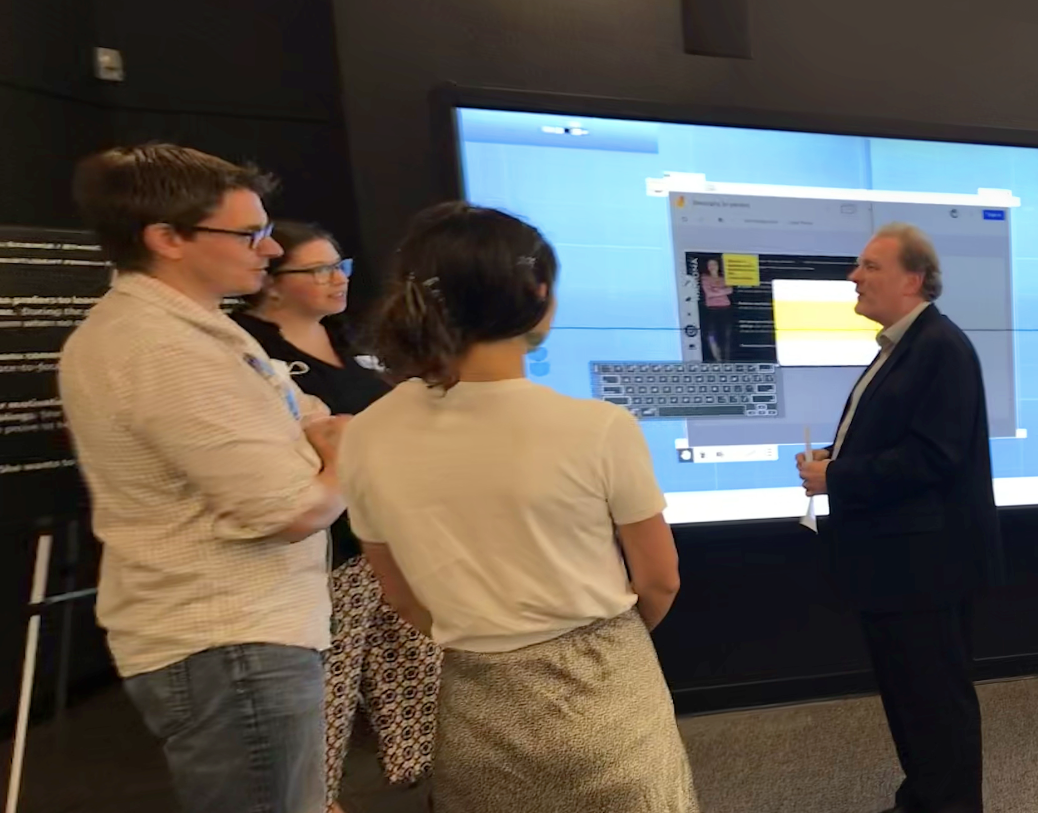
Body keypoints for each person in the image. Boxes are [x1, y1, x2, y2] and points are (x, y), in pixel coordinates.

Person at [335, 202, 696, 813]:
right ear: (538, 293)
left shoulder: (366, 432)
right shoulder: (597, 427)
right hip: (607, 696)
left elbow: (398, 592)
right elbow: (660, 579)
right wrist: (608, 642)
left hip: (477, 704)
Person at [60, 144, 350, 813]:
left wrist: (323, 448)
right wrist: (342, 463)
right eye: (249, 234)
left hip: (244, 638)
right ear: (166, 238)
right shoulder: (163, 348)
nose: (270, 250)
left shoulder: (201, 328)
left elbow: (312, 416)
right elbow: (291, 508)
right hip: (230, 644)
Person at [232, 221, 441, 813]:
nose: (337, 279)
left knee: (420, 675)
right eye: (318, 269)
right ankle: (312, 798)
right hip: (321, 553)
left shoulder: (345, 345)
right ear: (272, 281)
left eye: (340, 266)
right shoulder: (251, 352)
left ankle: (440, 781)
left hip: (386, 542)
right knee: (323, 691)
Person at [797, 223, 1002, 813]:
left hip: (925, 571)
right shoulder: (904, 347)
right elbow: (899, 441)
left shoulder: (940, 347)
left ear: (913, 279)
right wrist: (836, 457)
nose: (854, 277)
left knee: (935, 704)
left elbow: (934, 457)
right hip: (898, 568)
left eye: (870, 266)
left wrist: (838, 477)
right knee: (912, 702)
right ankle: (924, 800)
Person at [700, 257, 734, 361]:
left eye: (714, 264)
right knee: (712, 335)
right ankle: (717, 359)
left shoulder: (724, 278)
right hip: (712, 309)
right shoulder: (705, 278)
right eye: (710, 264)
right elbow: (709, 293)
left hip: (725, 309)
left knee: (725, 335)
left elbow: (730, 290)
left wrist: (716, 290)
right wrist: (722, 291)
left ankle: (726, 360)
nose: (712, 267)